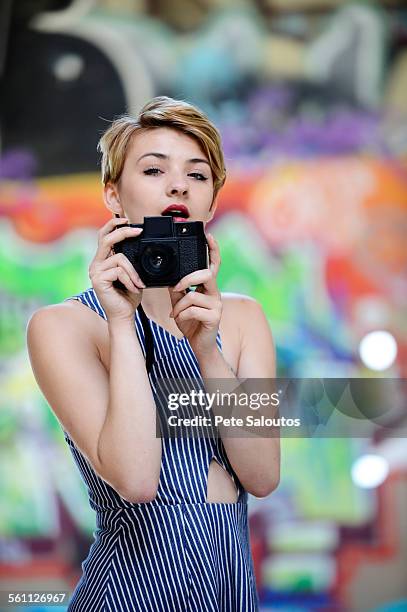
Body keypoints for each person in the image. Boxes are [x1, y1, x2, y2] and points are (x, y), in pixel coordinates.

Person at [27, 96, 280, 611]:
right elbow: (138, 480)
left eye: (198, 175)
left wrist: (207, 348)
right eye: (153, 169)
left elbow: (261, 476)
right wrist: (122, 322)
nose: (178, 185)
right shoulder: (64, 327)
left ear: (211, 200)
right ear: (113, 195)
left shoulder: (243, 318)